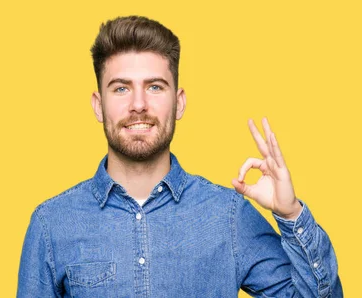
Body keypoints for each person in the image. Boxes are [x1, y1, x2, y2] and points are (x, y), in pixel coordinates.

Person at [17, 15, 342, 297]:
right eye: (121, 88)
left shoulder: (228, 217)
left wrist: (290, 213)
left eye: (155, 87)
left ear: (179, 102)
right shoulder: (51, 224)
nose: (139, 104)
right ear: (98, 105)